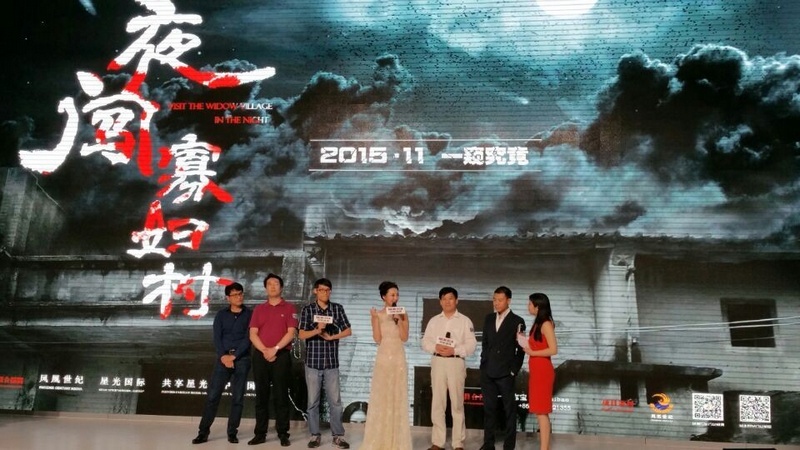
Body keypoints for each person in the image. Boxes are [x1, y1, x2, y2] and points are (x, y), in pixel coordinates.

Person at [192, 282, 252, 445]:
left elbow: (249, 338)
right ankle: (203, 432)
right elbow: (217, 338)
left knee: (238, 398)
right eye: (235, 295)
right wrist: (224, 356)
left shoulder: (250, 315)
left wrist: (235, 356)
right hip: (223, 359)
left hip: (242, 359)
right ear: (228, 298)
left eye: (240, 294)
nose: (238, 297)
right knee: (213, 396)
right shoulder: (221, 315)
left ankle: (232, 433)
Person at [298, 278, 353, 449]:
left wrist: (332, 337)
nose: (325, 293)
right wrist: (317, 330)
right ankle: (315, 435)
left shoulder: (337, 308)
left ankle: (338, 436)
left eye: (328, 290)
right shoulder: (308, 309)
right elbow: (301, 334)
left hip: (331, 363)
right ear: (315, 291)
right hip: (312, 363)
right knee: (313, 401)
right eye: (321, 290)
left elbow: (348, 331)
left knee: (335, 401)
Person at [421, 287, 477, 450]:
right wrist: (435, 347)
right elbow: (425, 342)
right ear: (440, 302)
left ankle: (458, 443)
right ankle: (438, 442)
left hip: (455, 362)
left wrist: (455, 350)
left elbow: (471, 345)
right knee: (438, 402)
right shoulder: (434, 321)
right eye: (444, 299)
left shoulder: (465, 321)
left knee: (457, 403)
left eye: (450, 298)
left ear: (456, 300)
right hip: (438, 361)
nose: (447, 302)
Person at [359, 281, 412, 450]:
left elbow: (404, 337)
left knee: (397, 395)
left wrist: (399, 320)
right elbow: (377, 339)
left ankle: (397, 441)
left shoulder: (403, 313)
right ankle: (380, 438)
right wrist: (374, 319)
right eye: (392, 295)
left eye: (397, 294)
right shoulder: (379, 315)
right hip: (383, 358)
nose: (395, 298)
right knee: (382, 396)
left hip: (398, 357)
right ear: (383, 296)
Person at [247, 273, 298, 447]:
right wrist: (265, 350)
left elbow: (291, 332)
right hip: (261, 356)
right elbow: (253, 334)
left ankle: (283, 433)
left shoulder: (289, 308)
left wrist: (275, 349)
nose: (273, 286)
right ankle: (260, 433)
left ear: (281, 287)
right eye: (269, 284)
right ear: (265, 288)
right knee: (261, 396)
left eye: (276, 283)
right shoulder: (259, 309)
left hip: (281, 355)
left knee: (281, 395)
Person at [479, 286, 526, 450]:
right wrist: (483, 363)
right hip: (488, 371)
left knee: (509, 411)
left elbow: (521, 349)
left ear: (508, 300)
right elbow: (485, 343)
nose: (496, 303)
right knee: (489, 409)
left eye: (500, 300)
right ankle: (488, 444)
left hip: (506, 373)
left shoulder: (517, 321)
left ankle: (509, 445)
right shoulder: (489, 318)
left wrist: (514, 370)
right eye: (494, 299)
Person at [518, 293, 558, 450]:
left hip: (543, 370)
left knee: (542, 411)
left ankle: (544, 447)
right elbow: (537, 344)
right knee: (539, 411)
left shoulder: (546, 324)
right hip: (536, 369)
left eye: (530, 304)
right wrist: (523, 340)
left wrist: (533, 352)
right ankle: (545, 446)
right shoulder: (537, 323)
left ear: (538, 306)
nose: (528, 306)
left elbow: (553, 349)